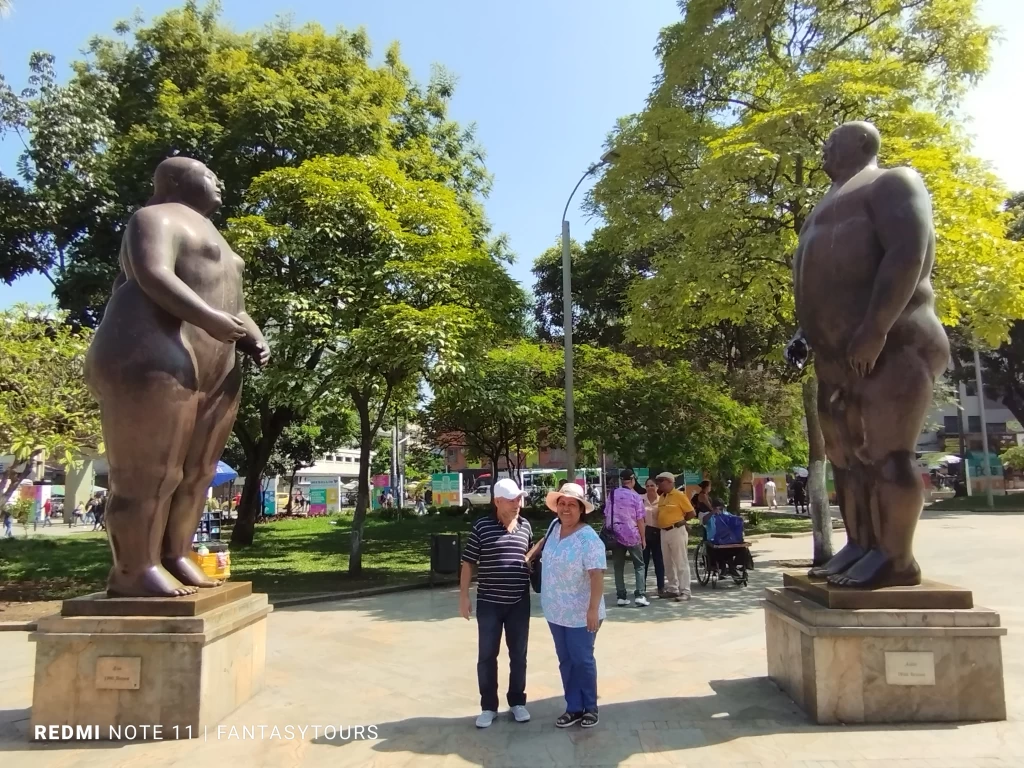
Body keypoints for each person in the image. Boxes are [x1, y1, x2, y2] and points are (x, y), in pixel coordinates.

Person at [459, 478, 533, 729]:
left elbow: (530, 558)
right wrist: (464, 597)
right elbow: (468, 562)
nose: (517, 504)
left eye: (519, 499)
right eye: (512, 500)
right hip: (489, 602)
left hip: (519, 603)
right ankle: (488, 706)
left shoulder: (526, 526)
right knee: (487, 656)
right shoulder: (482, 527)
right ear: (497, 501)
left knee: (519, 655)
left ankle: (517, 702)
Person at [533, 481, 606, 728]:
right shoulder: (555, 527)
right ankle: (573, 707)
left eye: (571, 505)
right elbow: (543, 544)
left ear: (581, 509)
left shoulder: (588, 538)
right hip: (555, 609)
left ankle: (590, 708)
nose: (566, 509)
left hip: (581, 612)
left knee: (582, 659)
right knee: (565, 659)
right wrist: (526, 557)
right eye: (562, 504)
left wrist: (593, 610)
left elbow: (597, 576)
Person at [604, 468, 648, 607]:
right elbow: (640, 519)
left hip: (615, 536)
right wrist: (643, 538)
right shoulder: (636, 497)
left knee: (618, 567)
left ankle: (621, 597)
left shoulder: (612, 495)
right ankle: (640, 595)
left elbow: (606, 514)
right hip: (633, 535)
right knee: (639, 565)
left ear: (621, 480)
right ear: (633, 480)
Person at [655, 472, 696, 601]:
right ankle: (673, 588)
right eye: (658, 481)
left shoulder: (679, 495)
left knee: (680, 561)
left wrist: (682, 521)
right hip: (664, 531)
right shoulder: (662, 497)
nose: (659, 484)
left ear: (670, 482)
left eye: (661, 481)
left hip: (676, 530)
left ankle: (685, 591)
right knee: (668, 562)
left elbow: (691, 512)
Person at [641, 477, 666, 597]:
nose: (650, 488)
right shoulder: (640, 499)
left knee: (659, 562)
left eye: (652, 485)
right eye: (647, 486)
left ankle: (661, 587)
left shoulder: (662, 500)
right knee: (643, 562)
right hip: (644, 534)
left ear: (657, 487)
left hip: (658, 534)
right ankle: (641, 588)